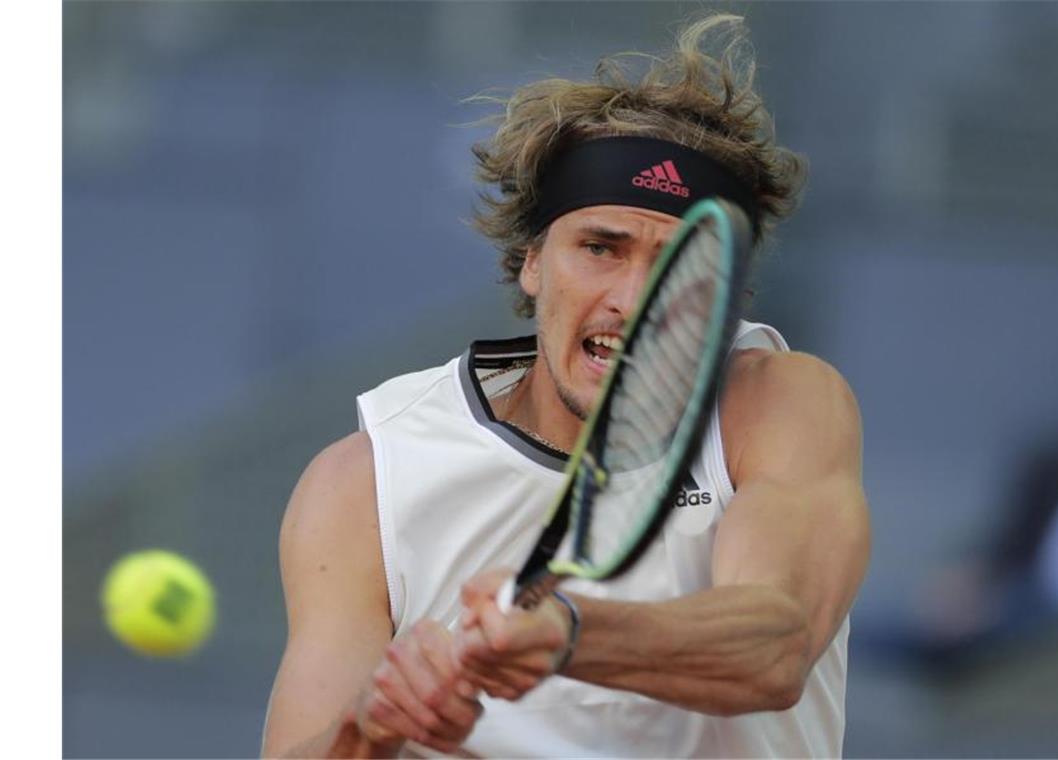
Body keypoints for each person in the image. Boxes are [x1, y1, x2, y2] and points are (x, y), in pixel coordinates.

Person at [261, 13, 870, 759]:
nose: (636, 299)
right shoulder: (365, 484)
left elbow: (777, 644)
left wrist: (565, 630)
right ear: (532, 260)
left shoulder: (776, 404)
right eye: (601, 248)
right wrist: (375, 724)